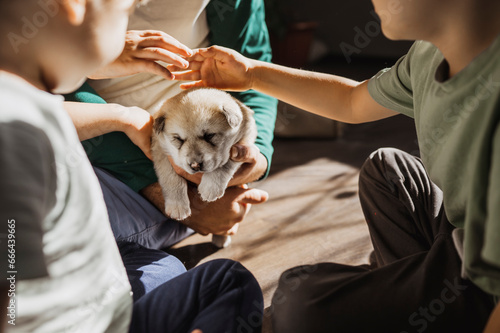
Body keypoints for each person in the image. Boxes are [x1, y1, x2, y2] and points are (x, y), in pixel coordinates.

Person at [167, 0, 500, 331]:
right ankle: (417, 306)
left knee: (300, 303)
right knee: (388, 169)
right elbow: (352, 101)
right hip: (463, 237)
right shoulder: (428, 56)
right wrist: (253, 74)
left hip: (487, 280)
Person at [0, 0, 263, 332]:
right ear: (73, 7)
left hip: (96, 293)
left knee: (173, 271)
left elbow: (51, 111)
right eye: (125, 14)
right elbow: (9, 286)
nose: (128, 38)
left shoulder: (21, 107)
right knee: (228, 282)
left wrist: (121, 115)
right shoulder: (15, 134)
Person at [63, 0, 278, 248]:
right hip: (104, 165)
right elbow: (35, 86)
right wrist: (161, 189)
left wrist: (254, 159)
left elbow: (254, 71)